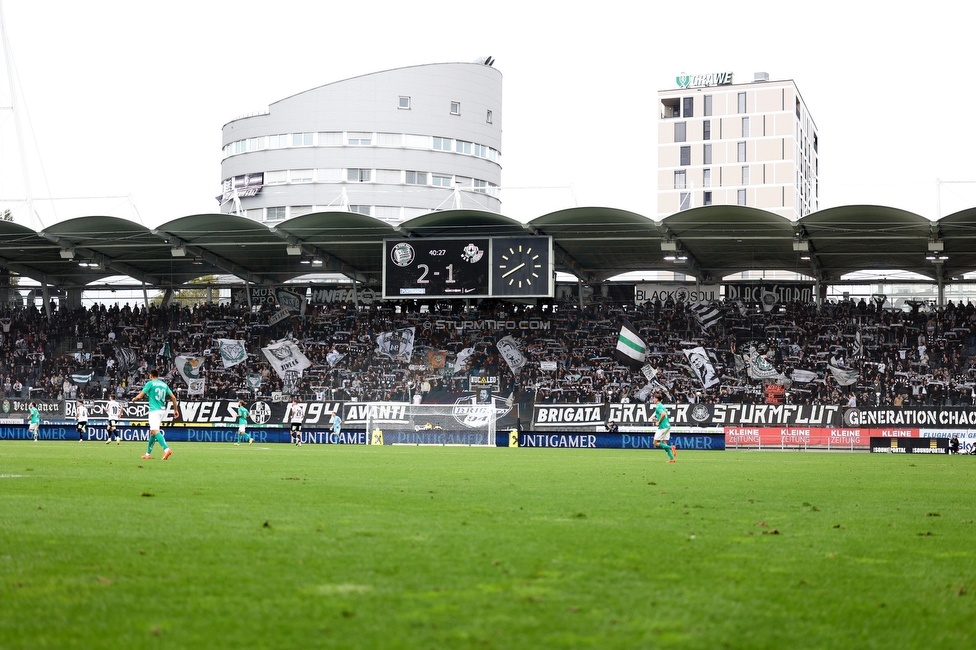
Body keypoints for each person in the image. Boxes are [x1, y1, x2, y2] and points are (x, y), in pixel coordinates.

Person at [133, 368, 179, 460]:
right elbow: (173, 398)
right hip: (162, 410)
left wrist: (135, 398)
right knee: (152, 432)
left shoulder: (150, 383)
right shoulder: (164, 384)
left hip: (154, 410)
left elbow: (141, 395)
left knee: (155, 431)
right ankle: (147, 454)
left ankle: (166, 449)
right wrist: (175, 410)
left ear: (151, 375)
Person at [653, 393, 676, 463]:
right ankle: (672, 458)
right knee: (664, 443)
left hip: (662, 427)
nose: (653, 400)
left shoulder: (658, 406)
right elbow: (663, 416)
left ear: (657, 399)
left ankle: (671, 447)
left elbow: (663, 414)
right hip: (667, 426)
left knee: (655, 442)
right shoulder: (663, 406)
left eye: (654, 398)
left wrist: (658, 422)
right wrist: (656, 419)